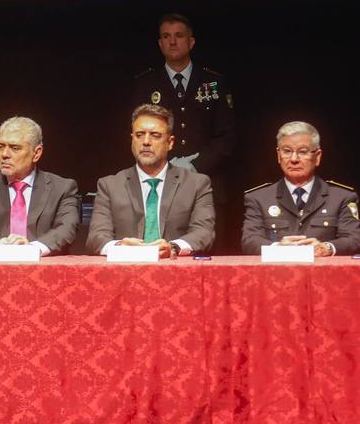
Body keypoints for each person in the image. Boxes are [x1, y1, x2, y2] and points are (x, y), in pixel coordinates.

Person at [130, 13, 235, 247]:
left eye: (179, 35)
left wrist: (195, 165)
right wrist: (168, 167)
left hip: (207, 180)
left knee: (208, 256)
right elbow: (138, 133)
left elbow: (226, 137)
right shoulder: (146, 82)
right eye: (166, 36)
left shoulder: (213, 81)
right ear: (160, 44)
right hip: (160, 182)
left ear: (191, 42)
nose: (173, 41)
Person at [87, 104, 215, 258]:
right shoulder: (109, 186)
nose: (146, 142)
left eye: (155, 135)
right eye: (140, 134)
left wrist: (173, 247)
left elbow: (204, 233)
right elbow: (96, 238)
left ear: (170, 142)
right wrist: (120, 246)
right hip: (126, 272)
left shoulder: (196, 184)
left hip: (177, 272)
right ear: (132, 139)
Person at [0, 117, 80, 256]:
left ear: (36, 153)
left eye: (15, 148)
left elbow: (66, 229)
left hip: (44, 269)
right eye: (0, 146)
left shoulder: (63, 188)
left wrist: (31, 249)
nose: (4, 154)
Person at [241, 121, 358, 257]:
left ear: (317, 157)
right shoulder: (259, 198)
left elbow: (353, 238)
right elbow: (249, 241)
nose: (294, 159)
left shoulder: (341, 197)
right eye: (287, 151)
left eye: (302, 152)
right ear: (279, 155)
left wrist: (327, 247)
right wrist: (278, 247)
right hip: (277, 274)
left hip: (324, 273)